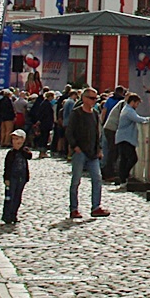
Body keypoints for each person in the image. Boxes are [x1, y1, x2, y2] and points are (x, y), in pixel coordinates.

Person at [66, 88, 109, 219]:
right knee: (76, 181)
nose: (94, 101)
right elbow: (69, 131)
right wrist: (75, 146)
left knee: (97, 179)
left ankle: (96, 207)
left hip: (93, 152)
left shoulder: (95, 113)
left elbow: (97, 132)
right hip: (80, 151)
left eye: (96, 98)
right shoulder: (76, 113)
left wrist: (99, 148)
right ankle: (74, 208)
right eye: (91, 98)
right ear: (84, 98)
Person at [113, 94, 150, 184]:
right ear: (132, 102)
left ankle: (123, 179)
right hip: (126, 138)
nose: (137, 106)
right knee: (132, 158)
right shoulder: (129, 111)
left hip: (123, 137)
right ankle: (124, 176)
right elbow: (138, 119)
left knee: (124, 159)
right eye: (137, 103)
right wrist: (149, 119)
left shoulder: (127, 109)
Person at [3, 130, 31, 224]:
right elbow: (7, 167)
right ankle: (7, 215)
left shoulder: (24, 151)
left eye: (17, 139)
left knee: (18, 197)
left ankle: (14, 214)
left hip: (22, 177)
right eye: (14, 139)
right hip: (12, 177)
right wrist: (6, 178)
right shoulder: (11, 153)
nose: (15, 141)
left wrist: (21, 148)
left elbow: (29, 156)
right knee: (10, 196)